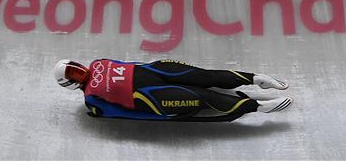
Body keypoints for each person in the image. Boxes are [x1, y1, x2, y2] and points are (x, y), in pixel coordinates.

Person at [53, 58, 292, 121]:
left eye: (76, 67)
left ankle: (256, 78)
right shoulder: (91, 100)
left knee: (204, 76)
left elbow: (129, 63)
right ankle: (258, 107)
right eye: (73, 73)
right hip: (150, 98)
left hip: (156, 71)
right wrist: (159, 115)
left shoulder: (98, 62)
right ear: (70, 84)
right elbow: (117, 113)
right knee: (203, 97)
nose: (80, 71)